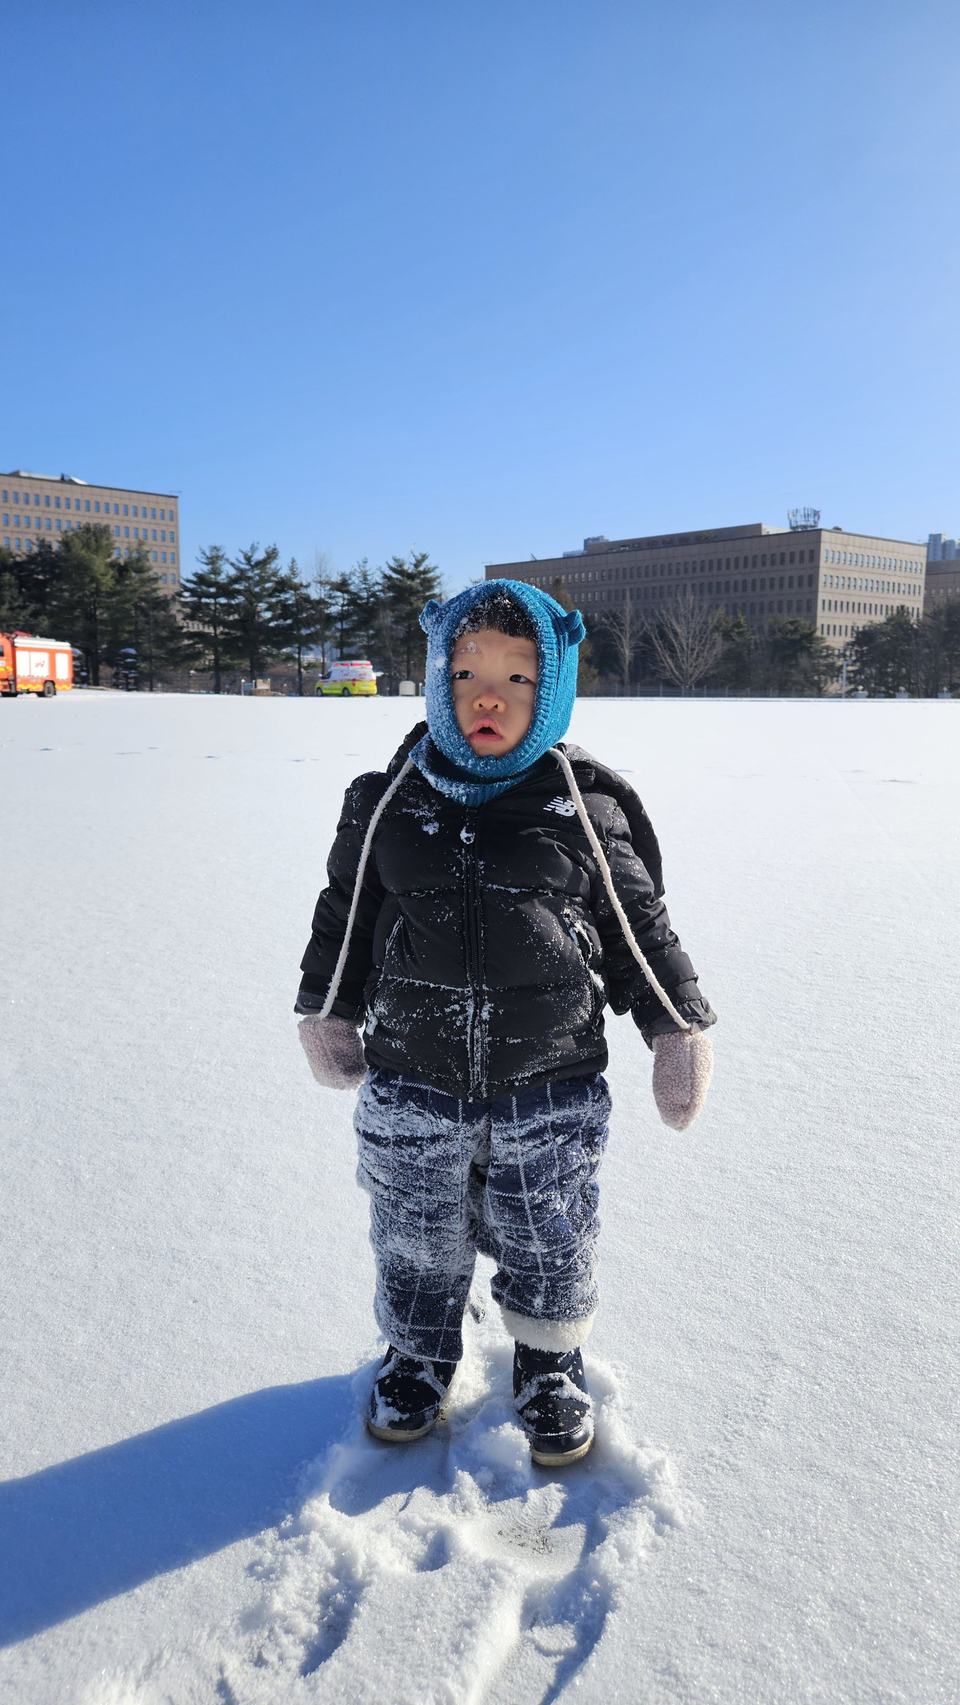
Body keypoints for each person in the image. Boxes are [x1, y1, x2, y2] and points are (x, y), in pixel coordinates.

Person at [296, 581, 715, 1467]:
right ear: (436, 683)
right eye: (466, 672)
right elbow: (345, 917)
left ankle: (549, 1359)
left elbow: (641, 927)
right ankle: (416, 1352)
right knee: (414, 1226)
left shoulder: (582, 806)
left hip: (550, 1076)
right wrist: (327, 1010)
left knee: (548, 1224)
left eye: (519, 677)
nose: (489, 695)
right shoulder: (389, 802)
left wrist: (677, 1024)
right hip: (413, 1071)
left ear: (553, 689)